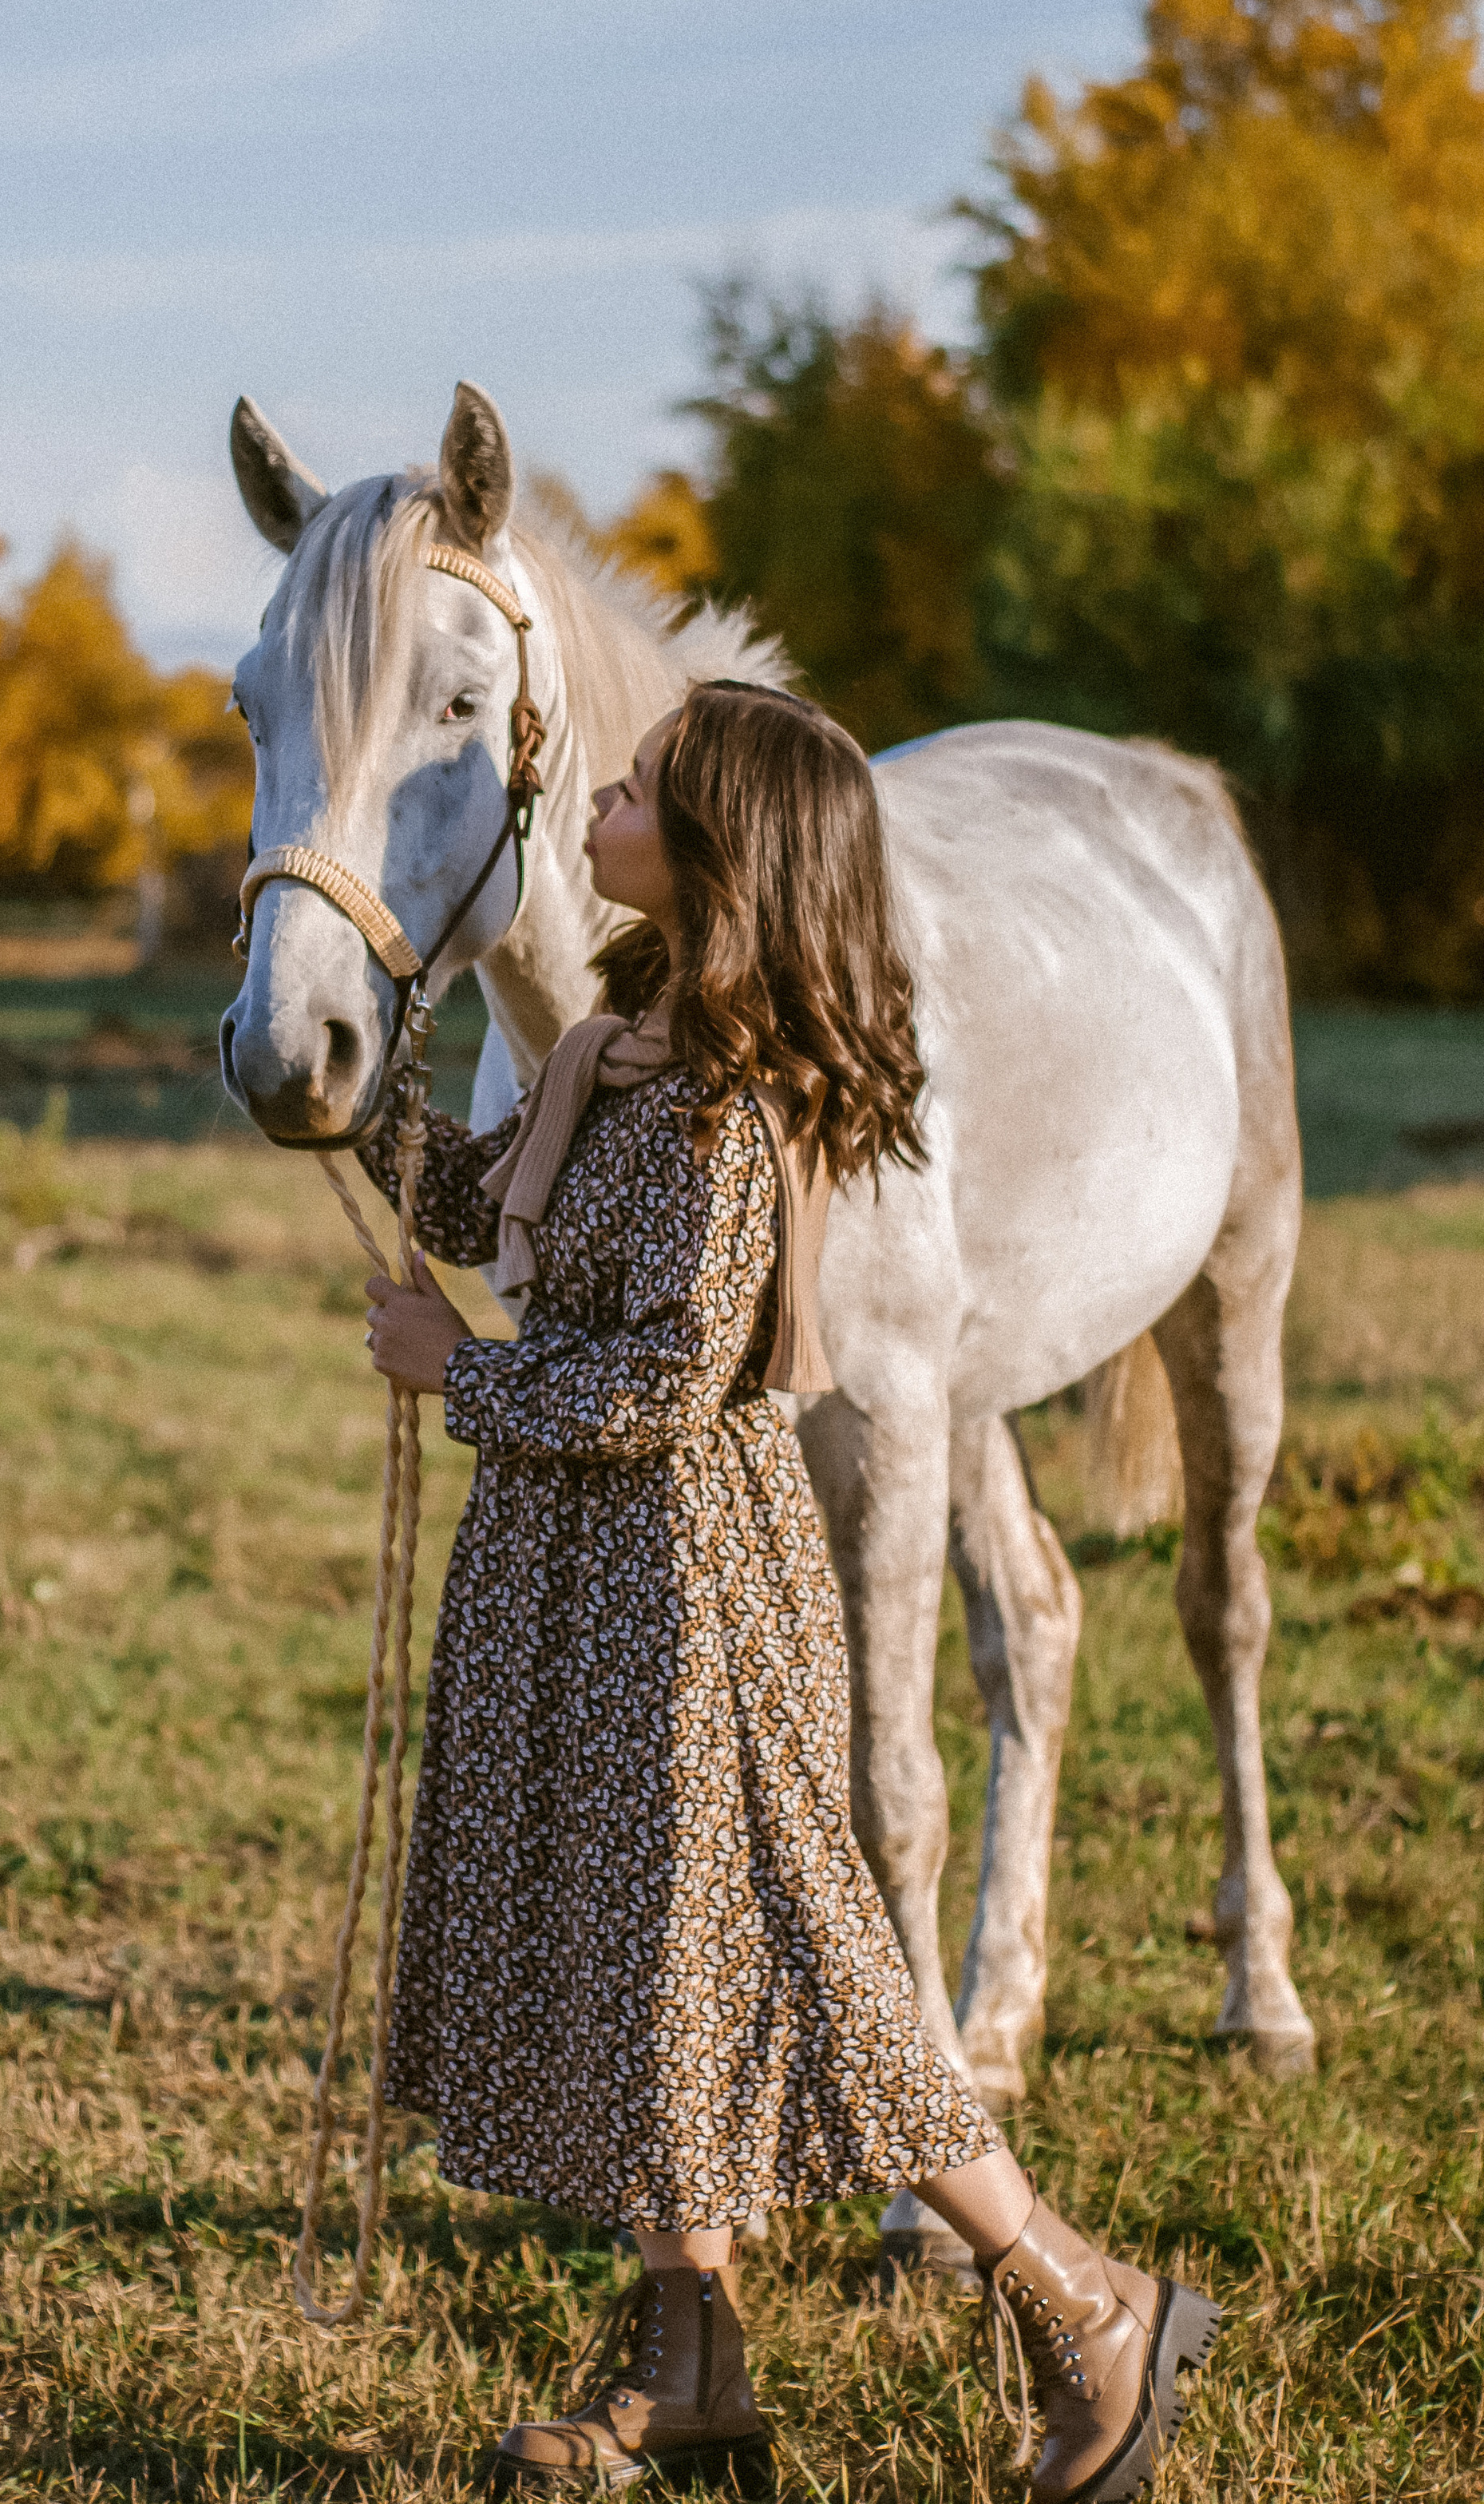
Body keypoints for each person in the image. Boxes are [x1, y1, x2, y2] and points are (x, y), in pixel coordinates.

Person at [356, 681, 1221, 2502]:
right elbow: (483, 1201)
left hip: (688, 1590)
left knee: (811, 1962)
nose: (595, 794)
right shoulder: (625, 1048)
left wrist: (463, 1373)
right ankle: (689, 2360)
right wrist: (360, 1080)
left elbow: (668, 1382)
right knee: (658, 1964)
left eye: (636, 788)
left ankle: (1082, 2302)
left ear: (713, 857)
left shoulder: (732, 1108)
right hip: (594, 1581)